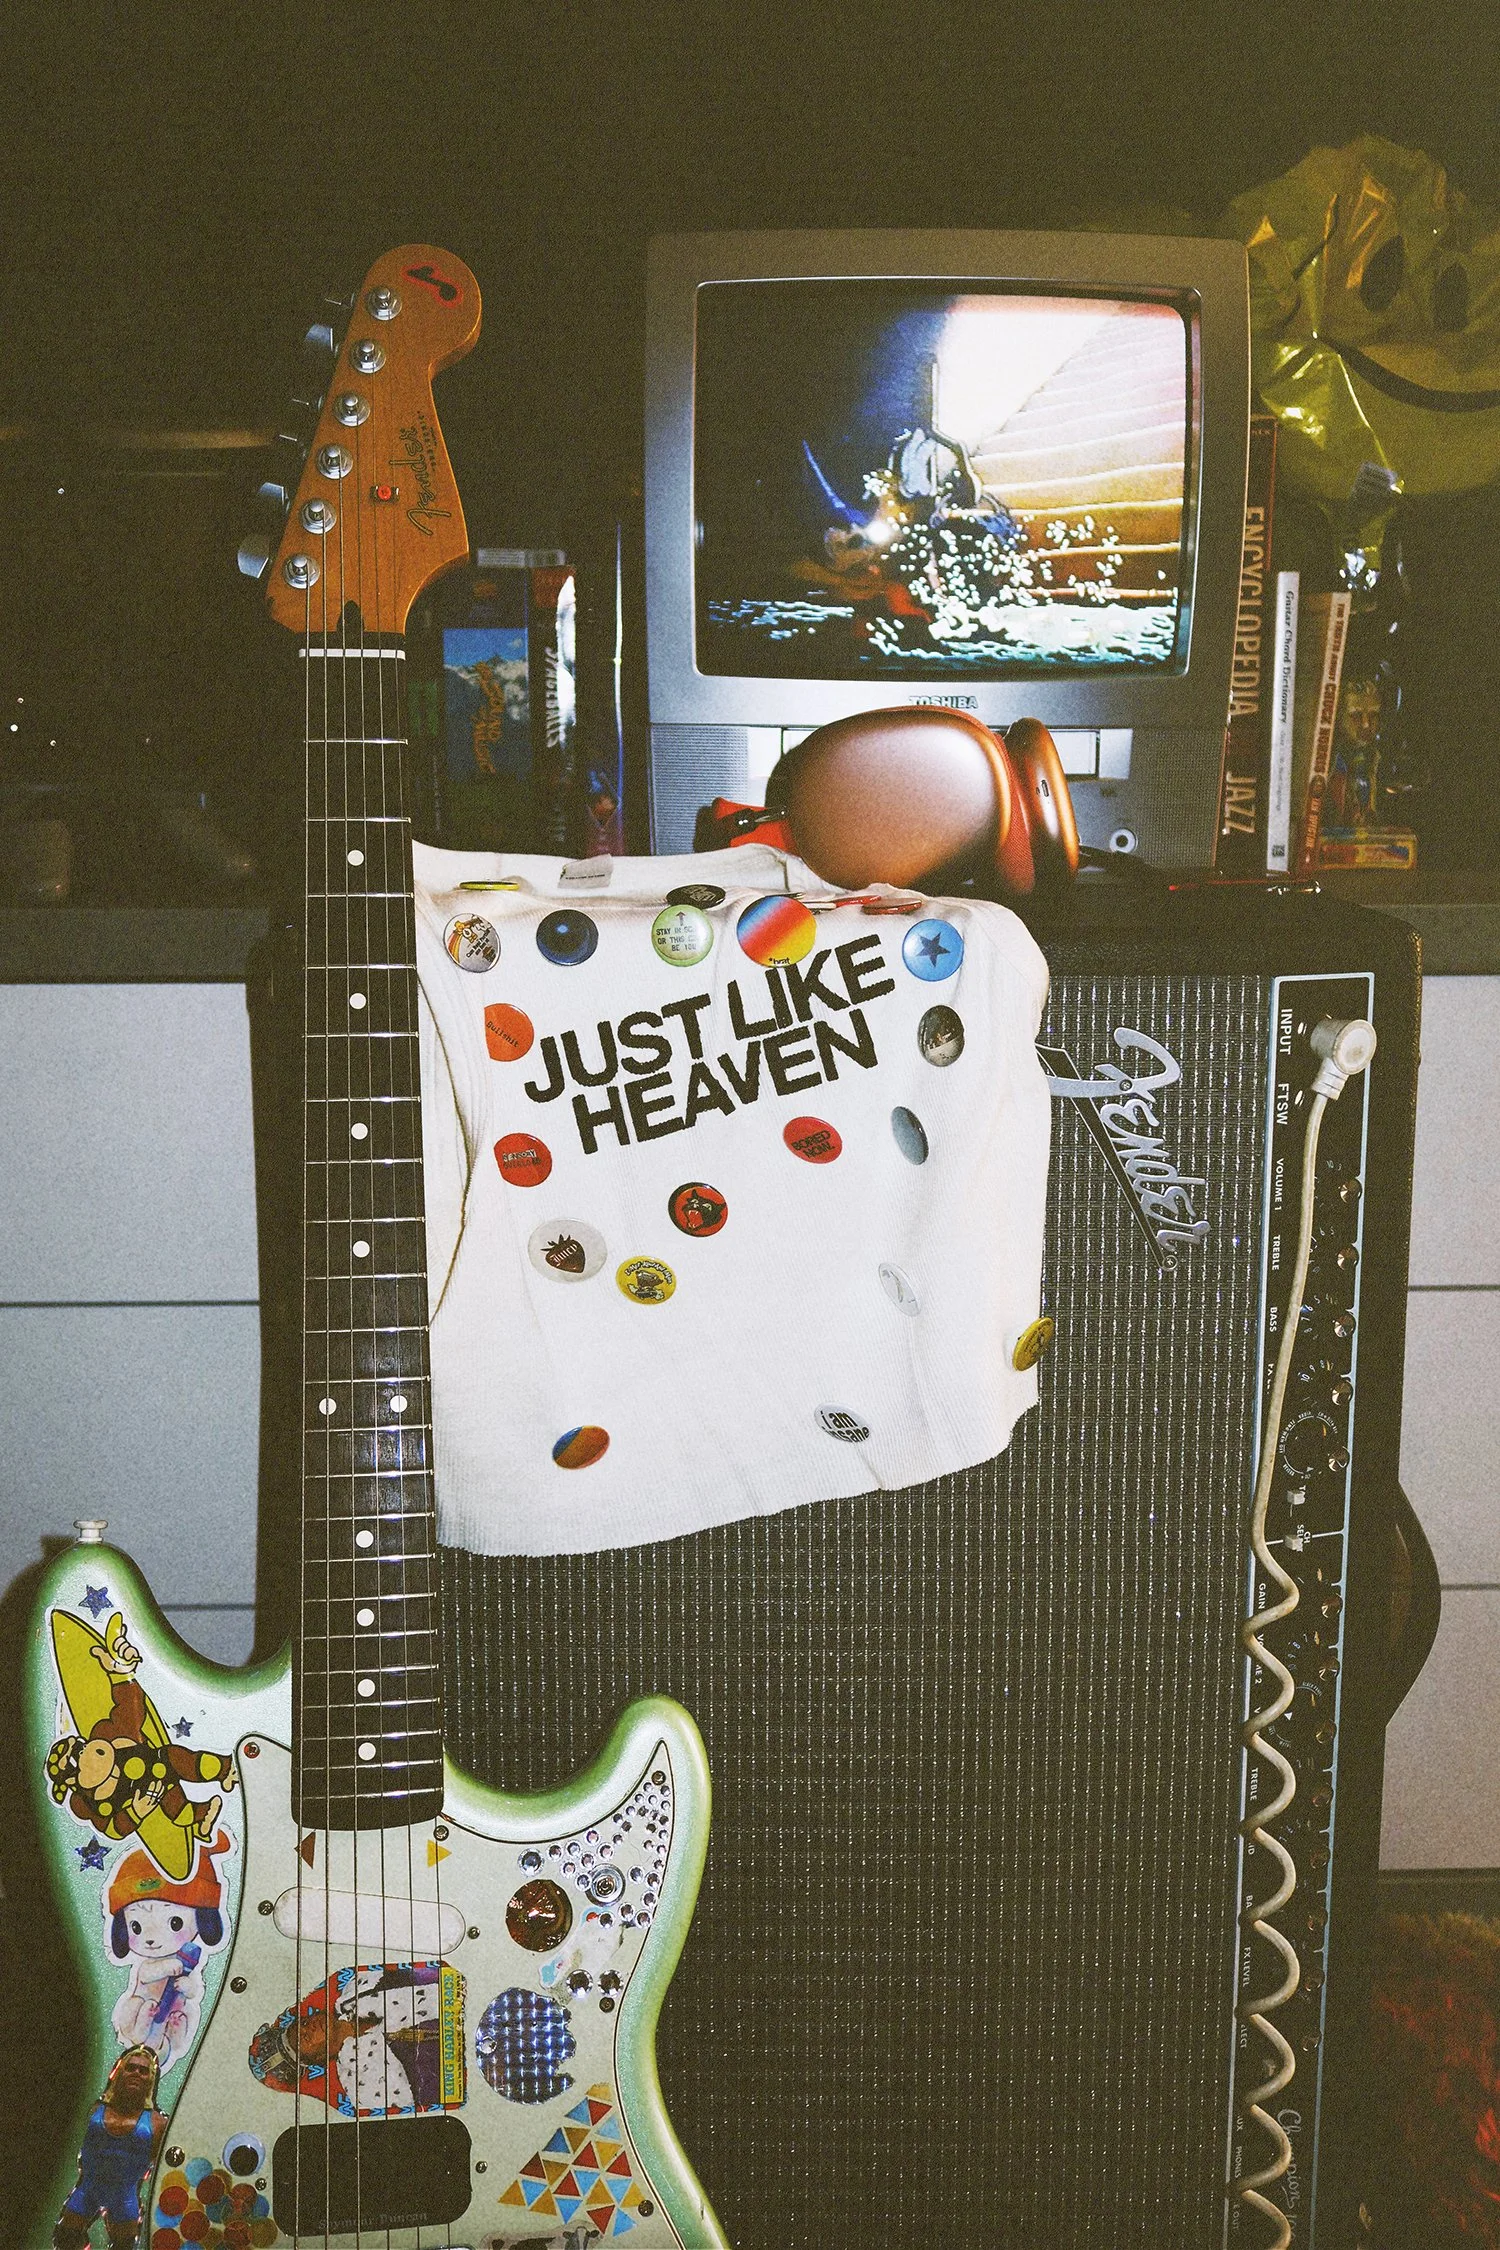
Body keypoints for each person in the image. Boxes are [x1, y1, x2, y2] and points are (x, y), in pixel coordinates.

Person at [53, 2045, 165, 2249]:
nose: (136, 2073)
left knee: (124, 2246)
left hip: (124, 2199)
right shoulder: (94, 2110)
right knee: (65, 2239)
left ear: (150, 2080)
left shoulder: (157, 2124)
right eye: (130, 2067)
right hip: (87, 2191)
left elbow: (161, 2170)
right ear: (119, 2072)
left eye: (143, 2070)